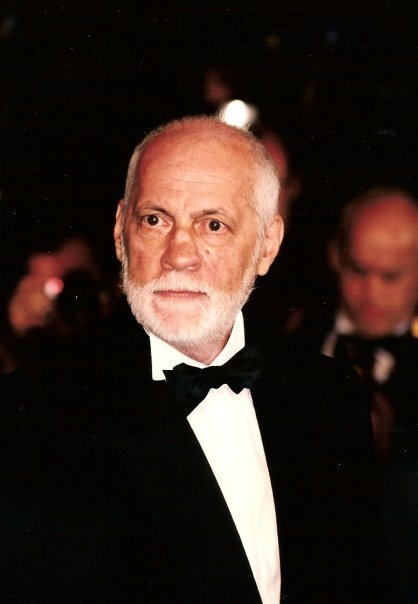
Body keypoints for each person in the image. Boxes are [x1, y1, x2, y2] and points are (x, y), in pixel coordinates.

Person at [2, 116, 377, 603]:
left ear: (267, 245)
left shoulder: (329, 395)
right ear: (119, 232)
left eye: (213, 225)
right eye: (155, 220)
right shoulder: (31, 413)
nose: (179, 255)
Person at [290, 186, 418, 602]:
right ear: (334, 256)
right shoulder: (287, 337)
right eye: (358, 271)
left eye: (392, 276)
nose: (371, 294)